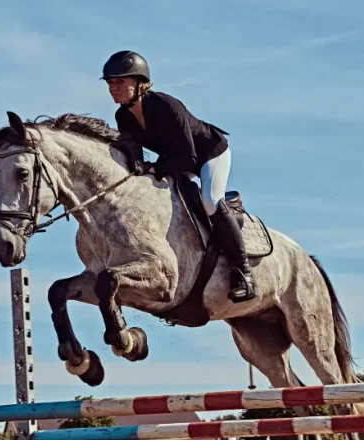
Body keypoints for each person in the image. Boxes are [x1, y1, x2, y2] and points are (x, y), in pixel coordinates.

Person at [102, 50, 256, 303]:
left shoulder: (165, 105)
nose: (112, 88)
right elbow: (135, 153)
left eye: (119, 81)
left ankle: (244, 274)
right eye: (110, 83)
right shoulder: (123, 116)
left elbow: (189, 159)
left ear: (140, 83)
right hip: (176, 158)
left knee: (210, 200)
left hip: (208, 154)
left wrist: (155, 169)